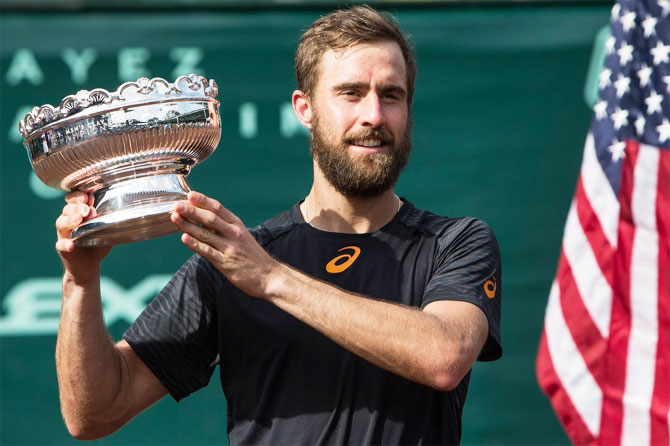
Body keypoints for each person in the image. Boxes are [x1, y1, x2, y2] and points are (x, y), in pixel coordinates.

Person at [54, 5, 502, 445]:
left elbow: (444, 356)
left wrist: (270, 279)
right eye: (350, 93)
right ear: (304, 109)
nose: (374, 116)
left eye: (391, 95)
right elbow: (93, 413)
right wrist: (81, 281)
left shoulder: (455, 242)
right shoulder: (233, 264)